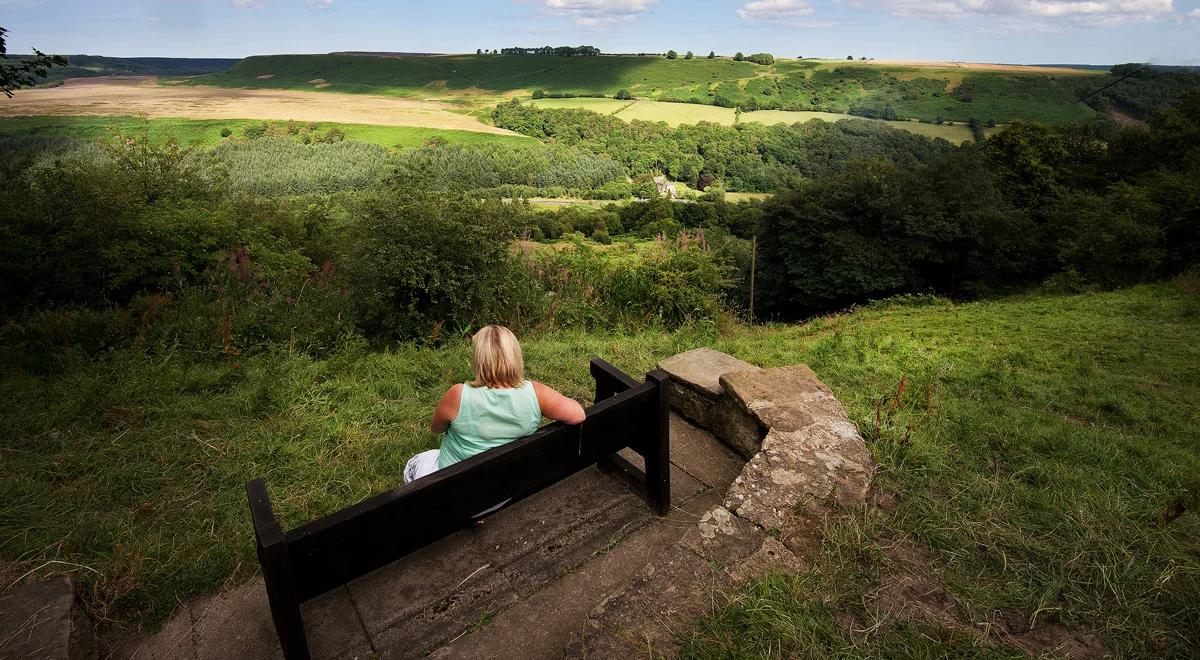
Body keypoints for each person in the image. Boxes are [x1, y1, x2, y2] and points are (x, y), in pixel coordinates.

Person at [403, 325, 586, 484]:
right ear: (515, 356)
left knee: (415, 462)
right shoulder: (536, 394)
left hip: (455, 490)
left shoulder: (458, 394)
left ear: (479, 359)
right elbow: (578, 414)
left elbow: (436, 428)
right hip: (502, 488)